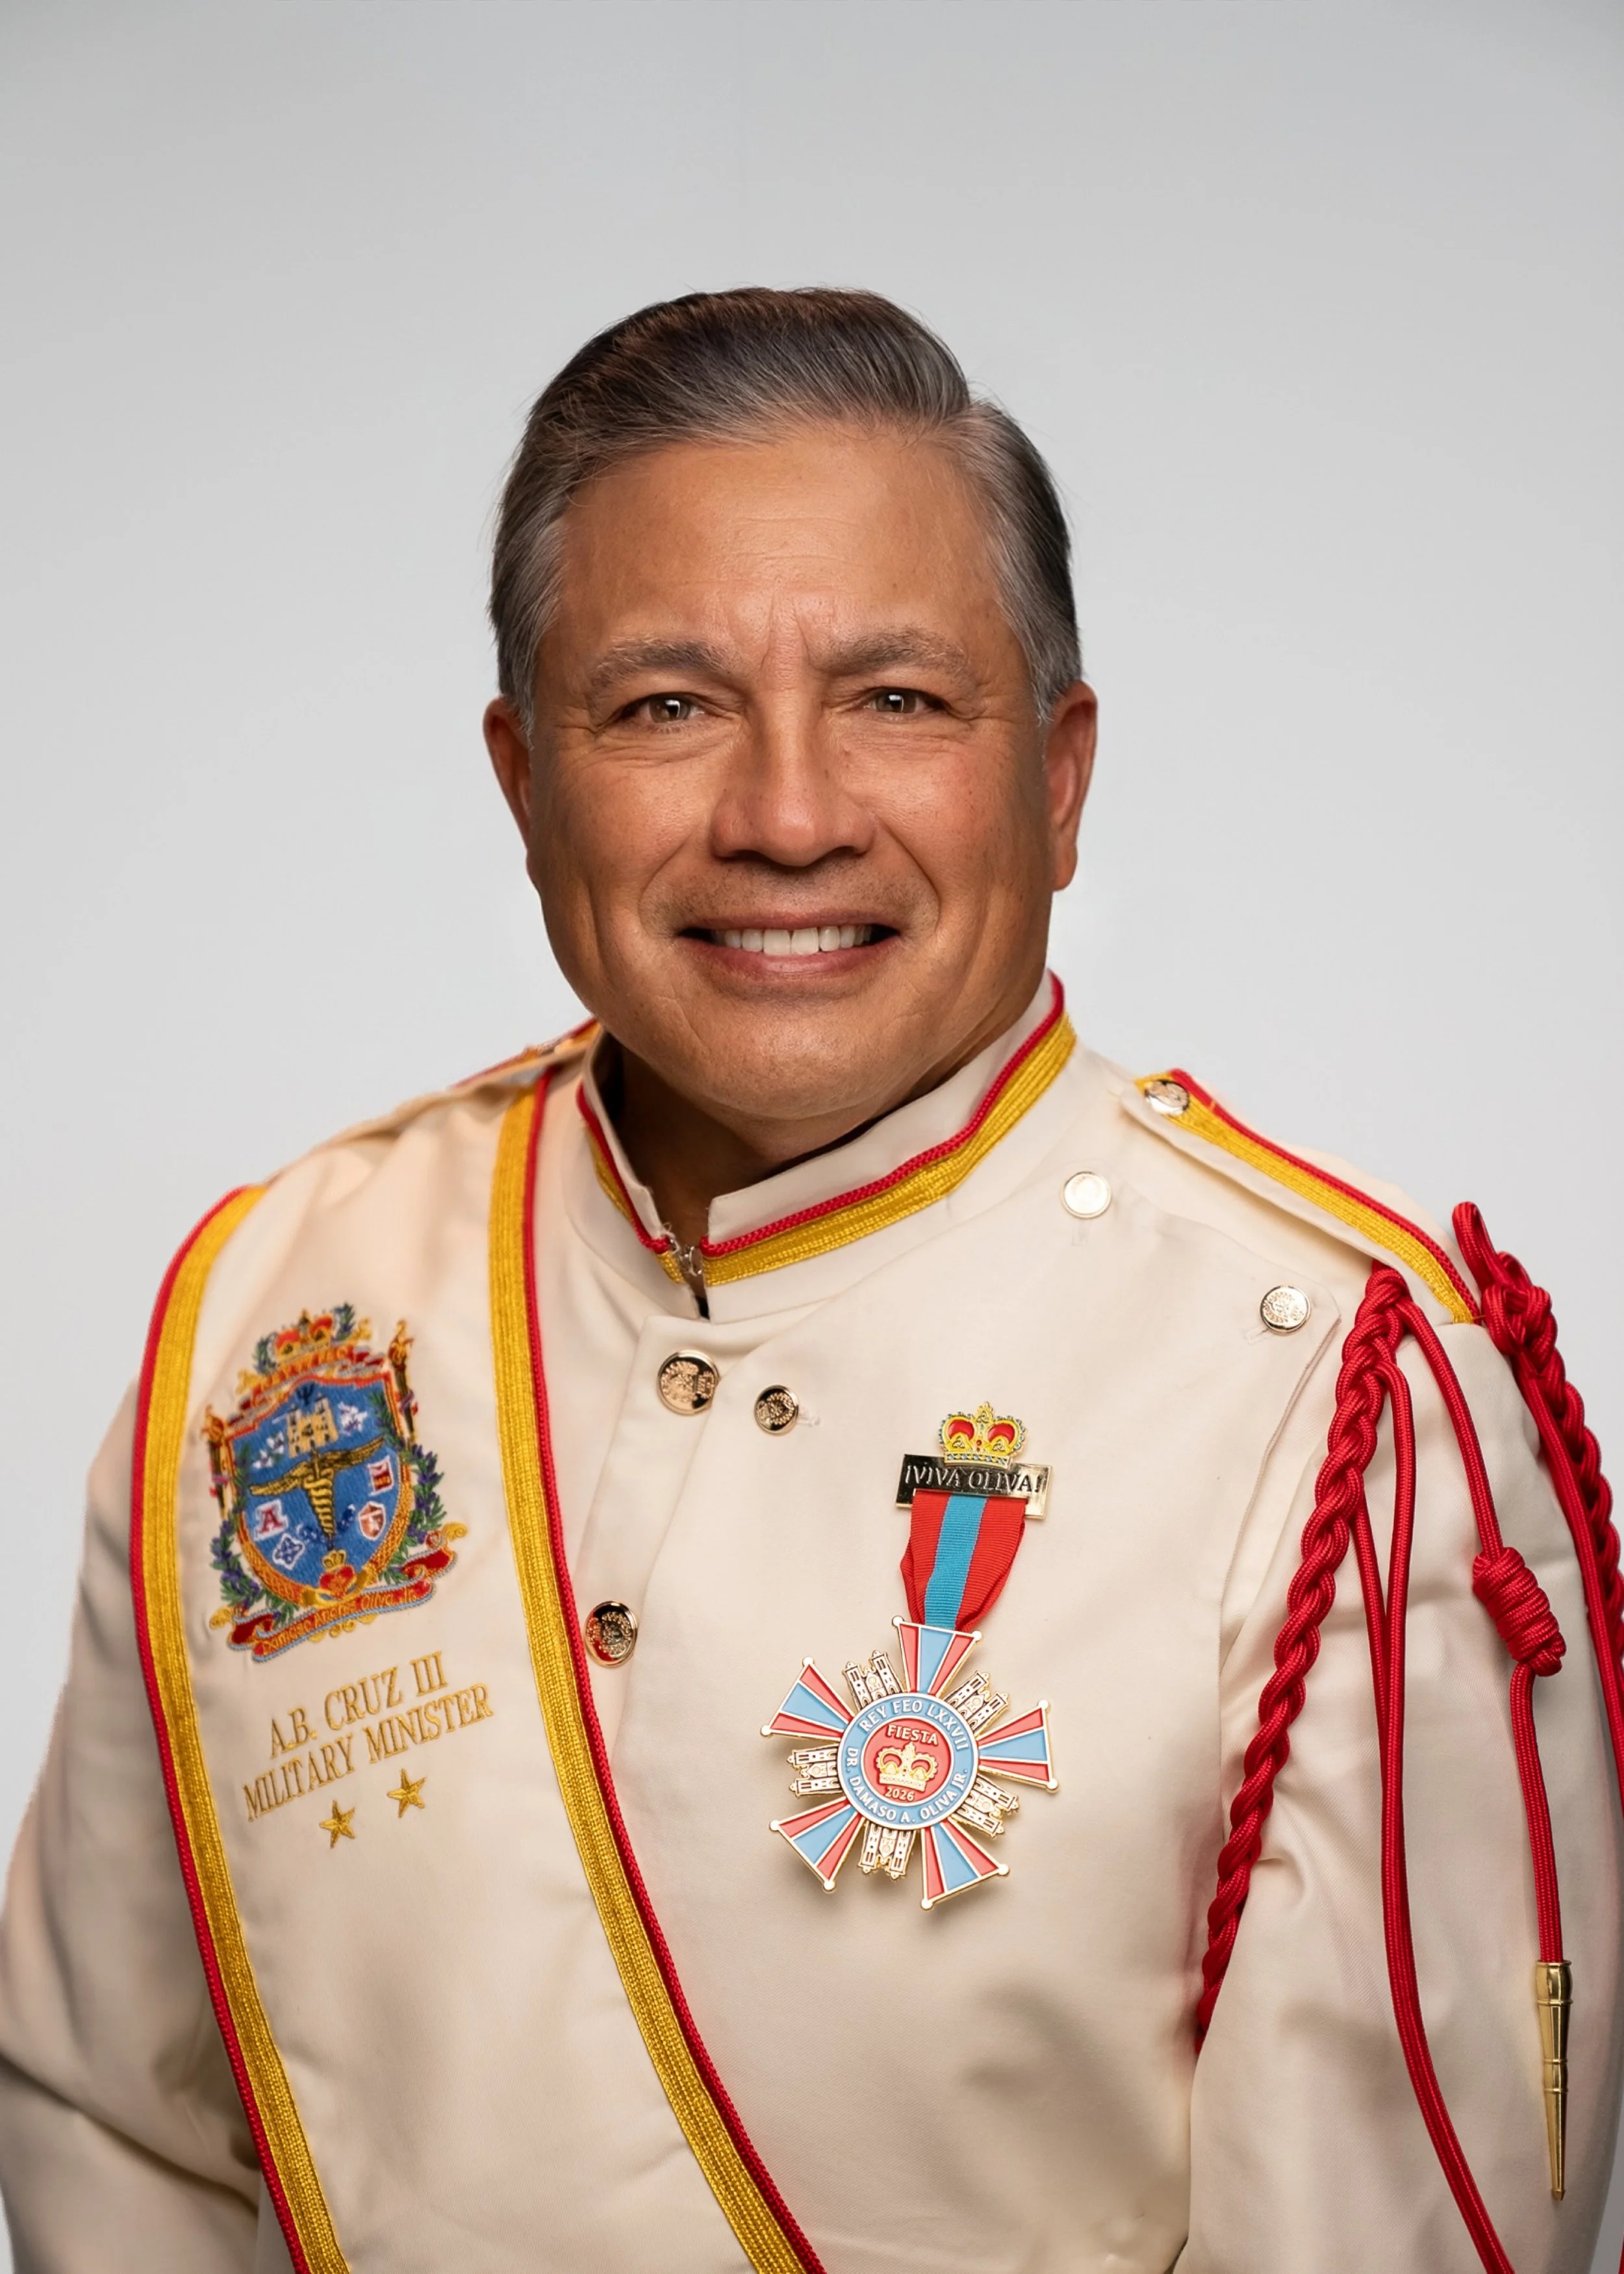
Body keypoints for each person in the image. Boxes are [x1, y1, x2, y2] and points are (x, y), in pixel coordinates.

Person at [0, 287, 1618, 2274]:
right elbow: (116, 2120)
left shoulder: (1334, 1378)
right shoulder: (283, 1306)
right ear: (522, 779)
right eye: (663, 706)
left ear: (1059, 777)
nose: (784, 815)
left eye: (898, 699)